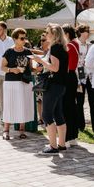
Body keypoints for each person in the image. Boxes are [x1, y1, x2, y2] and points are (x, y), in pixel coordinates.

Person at [31, 24, 69, 154]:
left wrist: (39, 61)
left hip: (54, 85)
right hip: (61, 85)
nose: (45, 35)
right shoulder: (63, 47)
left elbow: (55, 68)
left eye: (47, 33)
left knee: (47, 115)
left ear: (53, 34)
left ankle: (53, 146)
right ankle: (61, 144)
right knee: (58, 114)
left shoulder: (55, 47)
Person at [1, 28, 34, 140]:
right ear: (15, 39)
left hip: (25, 82)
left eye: (25, 38)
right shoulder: (9, 51)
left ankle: (22, 130)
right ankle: (6, 130)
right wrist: (12, 70)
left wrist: (37, 69)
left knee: (23, 105)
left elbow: (30, 68)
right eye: (21, 38)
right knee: (10, 105)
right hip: (11, 82)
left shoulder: (28, 52)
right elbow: (2, 67)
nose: (24, 40)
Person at [62, 24, 82, 146]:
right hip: (72, 76)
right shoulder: (75, 44)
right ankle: (73, 136)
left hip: (68, 76)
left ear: (67, 34)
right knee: (72, 107)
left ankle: (68, 137)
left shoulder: (69, 45)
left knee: (66, 107)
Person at [77, 24, 94, 133]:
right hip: (79, 77)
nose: (87, 33)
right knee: (80, 102)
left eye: (88, 31)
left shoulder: (91, 45)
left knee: (93, 102)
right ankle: (80, 125)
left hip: (90, 76)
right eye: (85, 31)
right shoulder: (75, 44)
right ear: (80, 32)